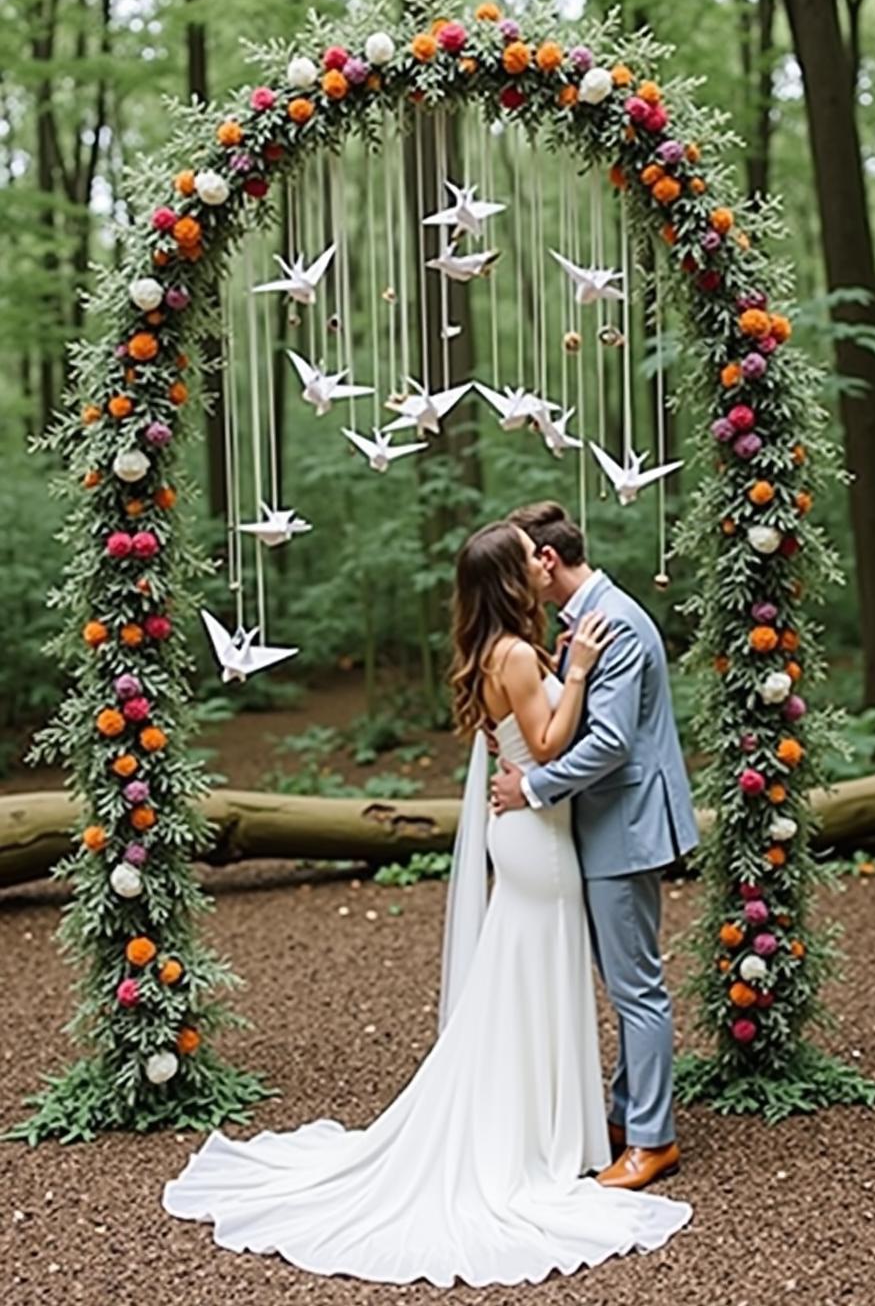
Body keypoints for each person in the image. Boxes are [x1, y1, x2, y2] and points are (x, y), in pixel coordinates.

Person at [162, 519, 692, 1288]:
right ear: (523, 577)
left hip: (599, 832)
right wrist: (565, 690)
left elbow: (604, 744)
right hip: (547, 838)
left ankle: (637, 1131)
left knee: (611, 983)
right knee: (565, 979)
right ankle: (601, 1125)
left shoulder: (595, 629)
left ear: (544, 561)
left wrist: (536, 761)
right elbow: (553, 741)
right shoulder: (542, 645)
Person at [491, 500, 700, 1191]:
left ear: (545, 561)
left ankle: (653, 1140)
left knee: (636, 987)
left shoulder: (617, 624)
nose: (520, 572)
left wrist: (535, 788)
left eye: (522, 558)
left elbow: (610, 743)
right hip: (606, 822)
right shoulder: (582, 622)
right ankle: (625, 1113)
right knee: (622, 980)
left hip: (626, 824)